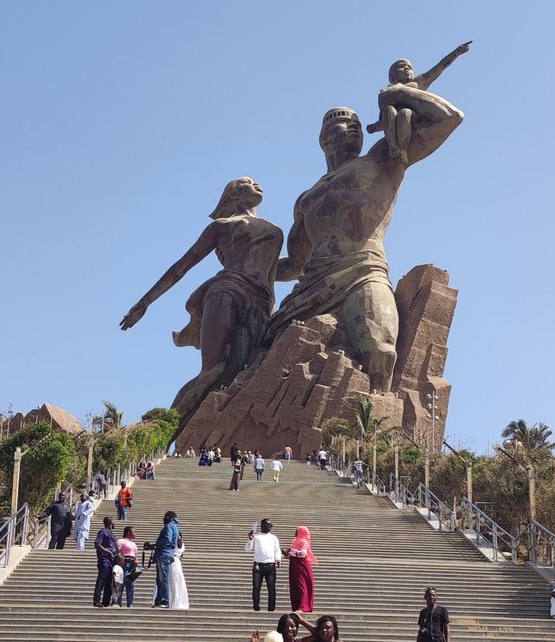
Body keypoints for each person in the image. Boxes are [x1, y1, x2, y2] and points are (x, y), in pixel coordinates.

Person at [265, 99, 461, 393]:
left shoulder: (382, 158)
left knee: (380, 349)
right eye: (343, 123)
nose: (354, 127)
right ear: (324, 138)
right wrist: (246, 269)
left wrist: (401, 91)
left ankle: (373, 427)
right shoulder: (306, 199)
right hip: (312, 285)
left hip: (364, 271)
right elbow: (294, 264)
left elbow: (449, 119)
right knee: (270, 358)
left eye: (358, 124)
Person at [120, 178, 283, 436]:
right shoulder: (221, 226)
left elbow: (275, 271)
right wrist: (145, 303)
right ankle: (159, 435)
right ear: (232, 194)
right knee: (212, 372)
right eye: (247, 182)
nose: (257, 184)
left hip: (261, 304)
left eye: (257, 181)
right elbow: (182, 266)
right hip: (227, 292)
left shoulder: (275, 230)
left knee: (243, 372)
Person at [366, 43, 471, 161]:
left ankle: (403, 150)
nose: (407, 69)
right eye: (402, 66)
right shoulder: (387, 91)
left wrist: (456, 53)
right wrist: (375, 127)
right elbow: (385, 121)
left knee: (405, 113)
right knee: (388, 110)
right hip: (393, 122)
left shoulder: (417, 83)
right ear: (392, 75)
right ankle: (393, 147)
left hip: (411, 118)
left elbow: (439, 68)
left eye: (410, 67)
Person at [246, 518, 282, 612]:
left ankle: (271, 608)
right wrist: (250, 539)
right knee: (256, 587)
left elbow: (277, 549)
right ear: (262, 525)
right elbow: (248, 549)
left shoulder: (273, 537)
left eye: (270, 525)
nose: (269, 527)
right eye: (268, 525)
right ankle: (256, 607)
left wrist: (278, 559)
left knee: (271, 587)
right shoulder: (256, 537)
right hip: (258, 565)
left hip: (270, 565)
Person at [284, 526, 316, 613]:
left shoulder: (303, 541)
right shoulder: (295, 541)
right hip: (295, 566)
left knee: (302, 586)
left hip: (302, 566)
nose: (295, 533)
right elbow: (292, 554)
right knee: (295, 586)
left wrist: (289, 552)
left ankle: (303, 606)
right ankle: (297, 606)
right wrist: (286, 554)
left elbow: (302, 554)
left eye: (297, 531)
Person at [154, 511, 180, 608]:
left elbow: (167, 539)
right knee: (160, 578)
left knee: (163, 578)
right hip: (168, 553)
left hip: (164, 554)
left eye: (166, 516)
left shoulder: (168, 526)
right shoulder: (175, 527)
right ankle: (158, 599)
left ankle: (164, 600)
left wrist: (157, 544)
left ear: (171, 517)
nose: (164, 518)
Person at [94, 518, 118, 608]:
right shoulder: (103, 532)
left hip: (112, 561)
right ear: (109, 523)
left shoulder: (111, 533)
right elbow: (97, 545)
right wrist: (109, 552)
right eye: (113, 521)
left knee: (109, 581)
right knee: (102, 580)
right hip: (105, 559)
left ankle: (106, 602)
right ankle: (96, 600)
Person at [168, 535, 189, 610]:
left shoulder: (174, 543)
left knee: (175, 580)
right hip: (174, 561)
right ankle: (174, 601)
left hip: (174, 561)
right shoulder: (176, 543)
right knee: (174, 580)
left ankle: (175, 601)